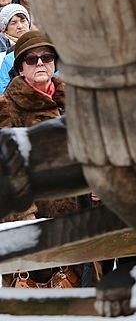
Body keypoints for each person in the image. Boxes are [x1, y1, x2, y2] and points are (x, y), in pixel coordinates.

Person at [0, 30, 87, 288]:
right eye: (31, 59)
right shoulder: (6, 107)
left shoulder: (72, 101)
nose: (40, 63)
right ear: (19, 68)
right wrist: (24, 217)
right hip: (35, 222)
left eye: (47, 57)